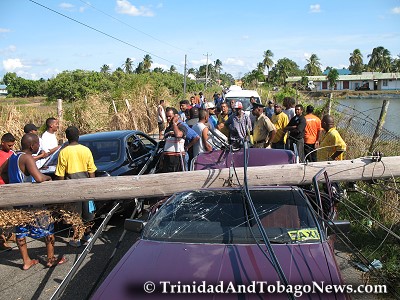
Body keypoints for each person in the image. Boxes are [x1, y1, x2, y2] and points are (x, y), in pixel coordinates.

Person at [0, 133, 65, 270]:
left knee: (21, 230)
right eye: (37, 143)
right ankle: (50, 259)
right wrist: (48, 178)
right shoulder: (27, 157)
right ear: (31, 145)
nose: (39, 146)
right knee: (48, 228)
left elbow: (2, 171)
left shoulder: (14, 156)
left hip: (17, 200)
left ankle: (26, 261)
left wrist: (11, 185)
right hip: (30, 201)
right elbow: (39, 178)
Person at [55, 126, 97, 247]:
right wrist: (92, 186)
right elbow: (91, 170)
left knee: (75, 214)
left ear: (67, 138)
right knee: (87, 213)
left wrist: (61, 190)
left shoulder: (63, 152)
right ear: (78, 136)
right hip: (86, 186)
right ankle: (88, 235)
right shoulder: (86, 150)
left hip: (71, 187)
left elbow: (60, 174)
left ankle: (77, 238)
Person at [0, 133, 16, 250]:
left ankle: (10, 234)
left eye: (12, 145)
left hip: (9, 187)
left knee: (10, 213)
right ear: (2, 143)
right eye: (9, 145)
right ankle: (2, 241)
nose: (11, 147)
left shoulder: (12, 154)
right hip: (1, 187)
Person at [160, 107, 187, 173]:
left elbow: (178, 135)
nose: (168, 118)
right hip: (167, 160)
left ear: (176, 116)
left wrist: (174, 123)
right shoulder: (167, 129)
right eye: (167, 116)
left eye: (170, 116)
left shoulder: (181, 126)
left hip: (177, 159)